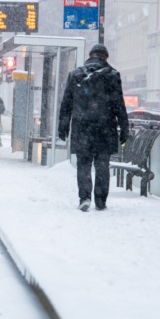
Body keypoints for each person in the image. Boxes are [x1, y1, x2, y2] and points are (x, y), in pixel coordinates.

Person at [58, 44, 129, 211]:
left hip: (82, 127)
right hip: (105, 128)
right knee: (102, 164)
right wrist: (124, 128)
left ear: (90, 56)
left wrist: (63, 126)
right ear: (106, 57)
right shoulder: (112, 75)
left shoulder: (75, 75)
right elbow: (119, 104)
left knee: (83, 164)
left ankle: (84, 197)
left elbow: (66, 103)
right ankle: (100, 200)